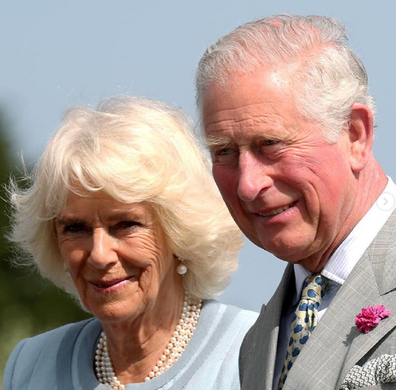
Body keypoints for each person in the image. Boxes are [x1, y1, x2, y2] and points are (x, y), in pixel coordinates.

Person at [196, 14, 396, 390]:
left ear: (354, 135)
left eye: (269, 144)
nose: (247, 185)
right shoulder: (260, 339)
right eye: (224, 151)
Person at [2, 96, 258, 390]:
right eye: (75, 228)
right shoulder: (32, 366)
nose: (99, 255)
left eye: (125, 224)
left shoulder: (255, 350)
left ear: (180, 230)